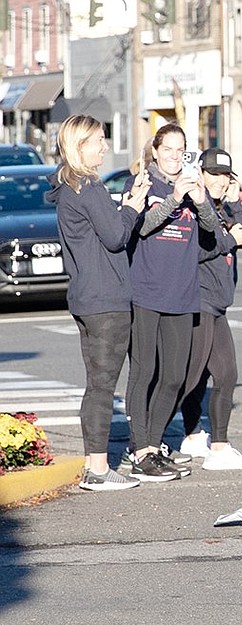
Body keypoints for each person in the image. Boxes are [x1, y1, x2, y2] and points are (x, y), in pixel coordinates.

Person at [46, 115, 151, 491]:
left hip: (86, 296)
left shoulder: (67, 186)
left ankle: (97, 464)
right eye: (99, 141)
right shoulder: (88, 186)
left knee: (96, 384)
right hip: (106, 298)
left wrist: (123, 207)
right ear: (80, 146)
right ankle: (99, 469)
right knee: (103, 386)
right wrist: (133, 205)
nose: (105, 146)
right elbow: (115, 236)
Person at [123, 122, 221, 481]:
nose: (174, 157)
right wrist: (174, 198)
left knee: (175, 376)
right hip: (146, 291)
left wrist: (198, 200)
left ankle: (154, 443)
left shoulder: (193, 183)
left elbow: (211, 228)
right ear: (155, 150)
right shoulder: (143, 183)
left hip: (183, 292)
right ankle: (140, 449)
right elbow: (142, 226)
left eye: (181, 151)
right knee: (144, 370)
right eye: (168, 149)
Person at [175, 147, 242, 470]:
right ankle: (145, 441)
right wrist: (232, 233)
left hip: (216, 302)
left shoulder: (221, 207)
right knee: (187, 378)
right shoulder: (195, 207)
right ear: (200, 174)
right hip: (198, 300)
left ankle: (212, 443)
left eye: (225, 175)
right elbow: (199, 250)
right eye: (214, 174)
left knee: (220, 375)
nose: (220, 180)